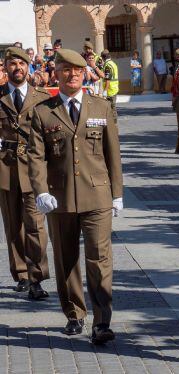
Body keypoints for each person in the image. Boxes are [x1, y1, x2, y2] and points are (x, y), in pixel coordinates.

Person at [28, 48, 123, 344]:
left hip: (97, 196)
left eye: (78, 71)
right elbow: (36, 155)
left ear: (84, 74)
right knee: (66, 258)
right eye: (66, 70)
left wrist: (117, 193)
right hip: (60, 197)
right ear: (56, 72)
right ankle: (74, 313)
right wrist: (41, 190)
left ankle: (102, 322)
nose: (72, 75)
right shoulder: (43, 111)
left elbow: (113, 153)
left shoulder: (101, 107)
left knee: (99, 258)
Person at [0, 47, 51, 299]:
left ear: (28, 67)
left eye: (21, 63)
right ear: (5, 67)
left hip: (33, 170)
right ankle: (20, 273)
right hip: (5, 169)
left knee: (36, 225)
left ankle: (37, 278)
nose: (17, 68)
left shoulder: (41, 97)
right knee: (13, 226)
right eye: (12, 63)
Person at [101, 50, 119, 115]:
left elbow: (108, 79)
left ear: (103, 57)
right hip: (114, 88)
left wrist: (105, 90)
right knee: (112, 108)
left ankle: (114, 124)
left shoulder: (107, 65)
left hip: (110, 89)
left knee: (111, 109)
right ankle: (114, 124)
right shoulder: (113, 63)